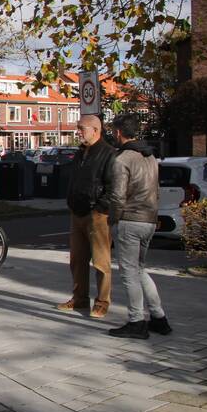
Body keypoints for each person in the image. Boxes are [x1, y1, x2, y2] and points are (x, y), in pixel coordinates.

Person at [108, 114, 172, 338]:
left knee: (129, 274)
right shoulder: (149, 156)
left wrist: (113, 219)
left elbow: (117, 196)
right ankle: (159, 317)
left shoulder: (122, 159)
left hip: (129, 220)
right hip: (149, 219)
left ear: (118, 132)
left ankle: (136, 321)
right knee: (140, 268)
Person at [57, 114, 116, 318]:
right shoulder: (81, 153)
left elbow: (112, 187)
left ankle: (102, 302)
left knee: (101, 261)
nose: (78, 131)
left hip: (97, 215)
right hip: (77, 212)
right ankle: (80, 298)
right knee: (77, 260)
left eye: (82, 128)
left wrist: (100, 208)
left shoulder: (108, 154)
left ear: (96, 130)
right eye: (78, 127)